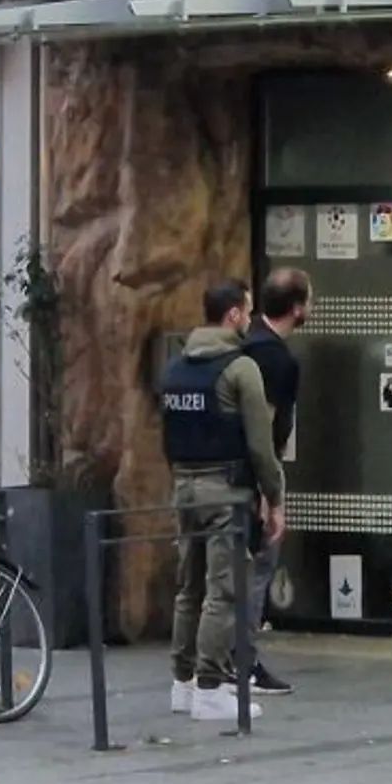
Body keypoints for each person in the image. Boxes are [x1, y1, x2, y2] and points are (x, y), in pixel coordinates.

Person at [163, 280, 285, 725]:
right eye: (247, 310)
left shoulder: (177, 367)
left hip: (183, 488)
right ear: (233, 314)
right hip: (226, 491)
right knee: (224, 590)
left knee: (188, 588)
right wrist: (274, 498)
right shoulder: (240, 368)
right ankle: (210, 687)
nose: (250, 318)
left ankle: (182, 684)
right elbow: (261, 445)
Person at [233, 267, 310, 697]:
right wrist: (270, 495)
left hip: (223, 471)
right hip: (255, 476)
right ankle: (243, 662)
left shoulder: (244, 345)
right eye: (309, 301)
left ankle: (212, 664)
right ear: (297, 308)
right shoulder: (278, 359)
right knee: (259, 567)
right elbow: (269, 428)